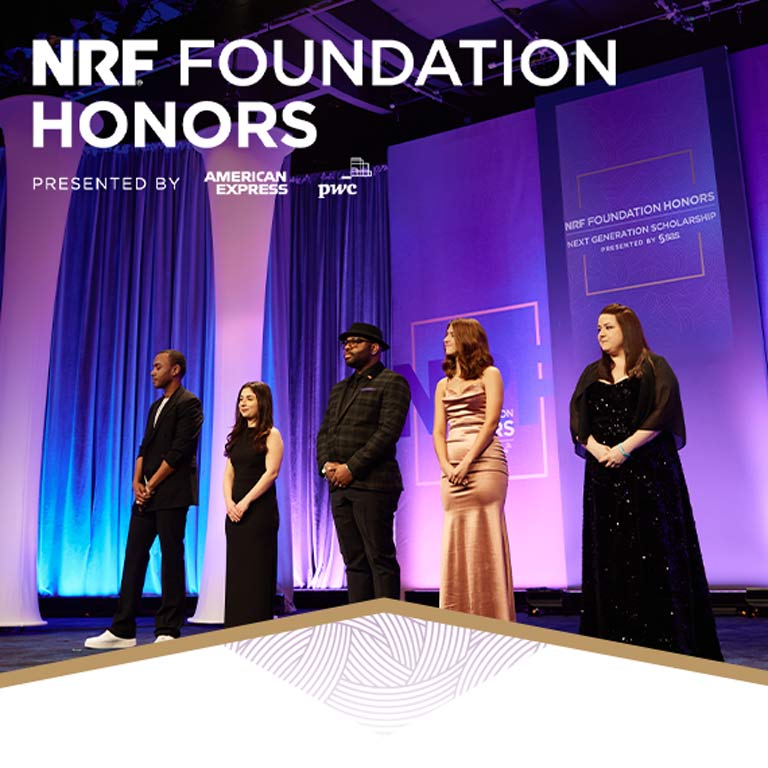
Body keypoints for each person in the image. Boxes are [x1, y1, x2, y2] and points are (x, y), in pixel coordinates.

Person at [570, 303, 722, 660]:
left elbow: (662, 413)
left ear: (627, 329)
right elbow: (579, 423)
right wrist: (598, 450)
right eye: (597, 329)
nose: (601, 334)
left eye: (607, 327)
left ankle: (663, 646)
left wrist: (623, 449)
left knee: (656, 556)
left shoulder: (655, 367)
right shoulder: (591, 374)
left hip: (649, 477)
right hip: (604, 481)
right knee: (610, 560)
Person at [85, 350, 203, 648]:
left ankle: (168, 629)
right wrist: (137, 482)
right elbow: (144, 447)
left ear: (175, 370)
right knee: (134, 555)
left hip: (172, 493)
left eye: (157, 367)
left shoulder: (189, 404)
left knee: (171, 557)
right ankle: (122, 629)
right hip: (147, 494)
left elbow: (179, 451)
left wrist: (152, 483)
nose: (152, 372)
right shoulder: (155, 407)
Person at [316, 321, 411, 602]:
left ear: (375, 348)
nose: (348, 346)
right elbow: (325, 431)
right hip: (339, 487)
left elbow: (387, 433)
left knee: (379, 559)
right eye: (345, 342)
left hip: (373, 485)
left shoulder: (392, 382)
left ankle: (388, 629)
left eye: (355, 341)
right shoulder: (339, 389)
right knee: (354, 563)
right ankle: (360, 628)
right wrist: (327, 466)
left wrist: (351, 468)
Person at [432, 318, 515, 621]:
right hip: (451, 473)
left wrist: (466, 463)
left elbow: (491, 422)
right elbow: (439, 431)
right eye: (445, 335)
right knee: (455, 539)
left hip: (485, 467)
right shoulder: (443, 384)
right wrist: (446, 465)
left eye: (451, 335)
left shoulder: (489, 375)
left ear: (468, 339)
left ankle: (494, 619)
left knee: (487, 535)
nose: (445, 340)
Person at [222, 381, 283, 627]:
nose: (243, 403)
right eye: (240, 399)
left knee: (256, 572)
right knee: (237, 573)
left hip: (259, 513)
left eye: (249, 399)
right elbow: (228, 474)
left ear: (262, 402)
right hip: (235, 513)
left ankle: (257, 628)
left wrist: (245, 502)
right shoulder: (237, 436)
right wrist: (229, 503)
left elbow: (272, 473)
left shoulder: (271, 434)